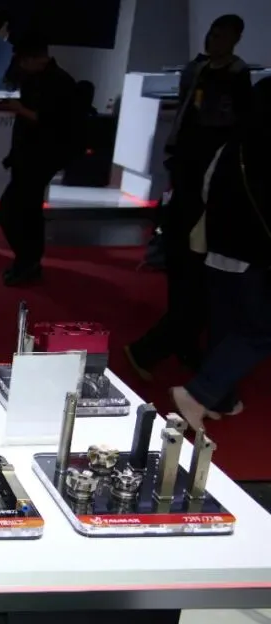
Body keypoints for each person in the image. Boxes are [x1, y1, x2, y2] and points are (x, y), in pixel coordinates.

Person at [126, 14, 252, 379]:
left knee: (197, 278)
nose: (214, 40)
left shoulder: (236, 78)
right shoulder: (196, 70)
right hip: (188, 179)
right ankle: (174, 344)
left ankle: (179, 344)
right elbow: (187, 117)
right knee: (187, 273)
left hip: (208, 184)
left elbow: (231, 125)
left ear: (235, 39)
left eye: (222, 36)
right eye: (213, 33)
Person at [169, 77, 271, 430]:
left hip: (218, 249)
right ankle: (199, 394)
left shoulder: (234, 143)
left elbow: (206, 188)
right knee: (260, 330)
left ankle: (219, 398)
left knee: (224, 327)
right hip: (255, 254)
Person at [0, 33, 80, 286]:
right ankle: (29, 261)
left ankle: (28, 260)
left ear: (36, 58)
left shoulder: (59, 82)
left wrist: (19, 109)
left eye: (23, 60)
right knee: (27, 211)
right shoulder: (34, 77)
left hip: (41, 156)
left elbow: (51, 121)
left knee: (12, 210)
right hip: (27, 155)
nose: (20, 65)